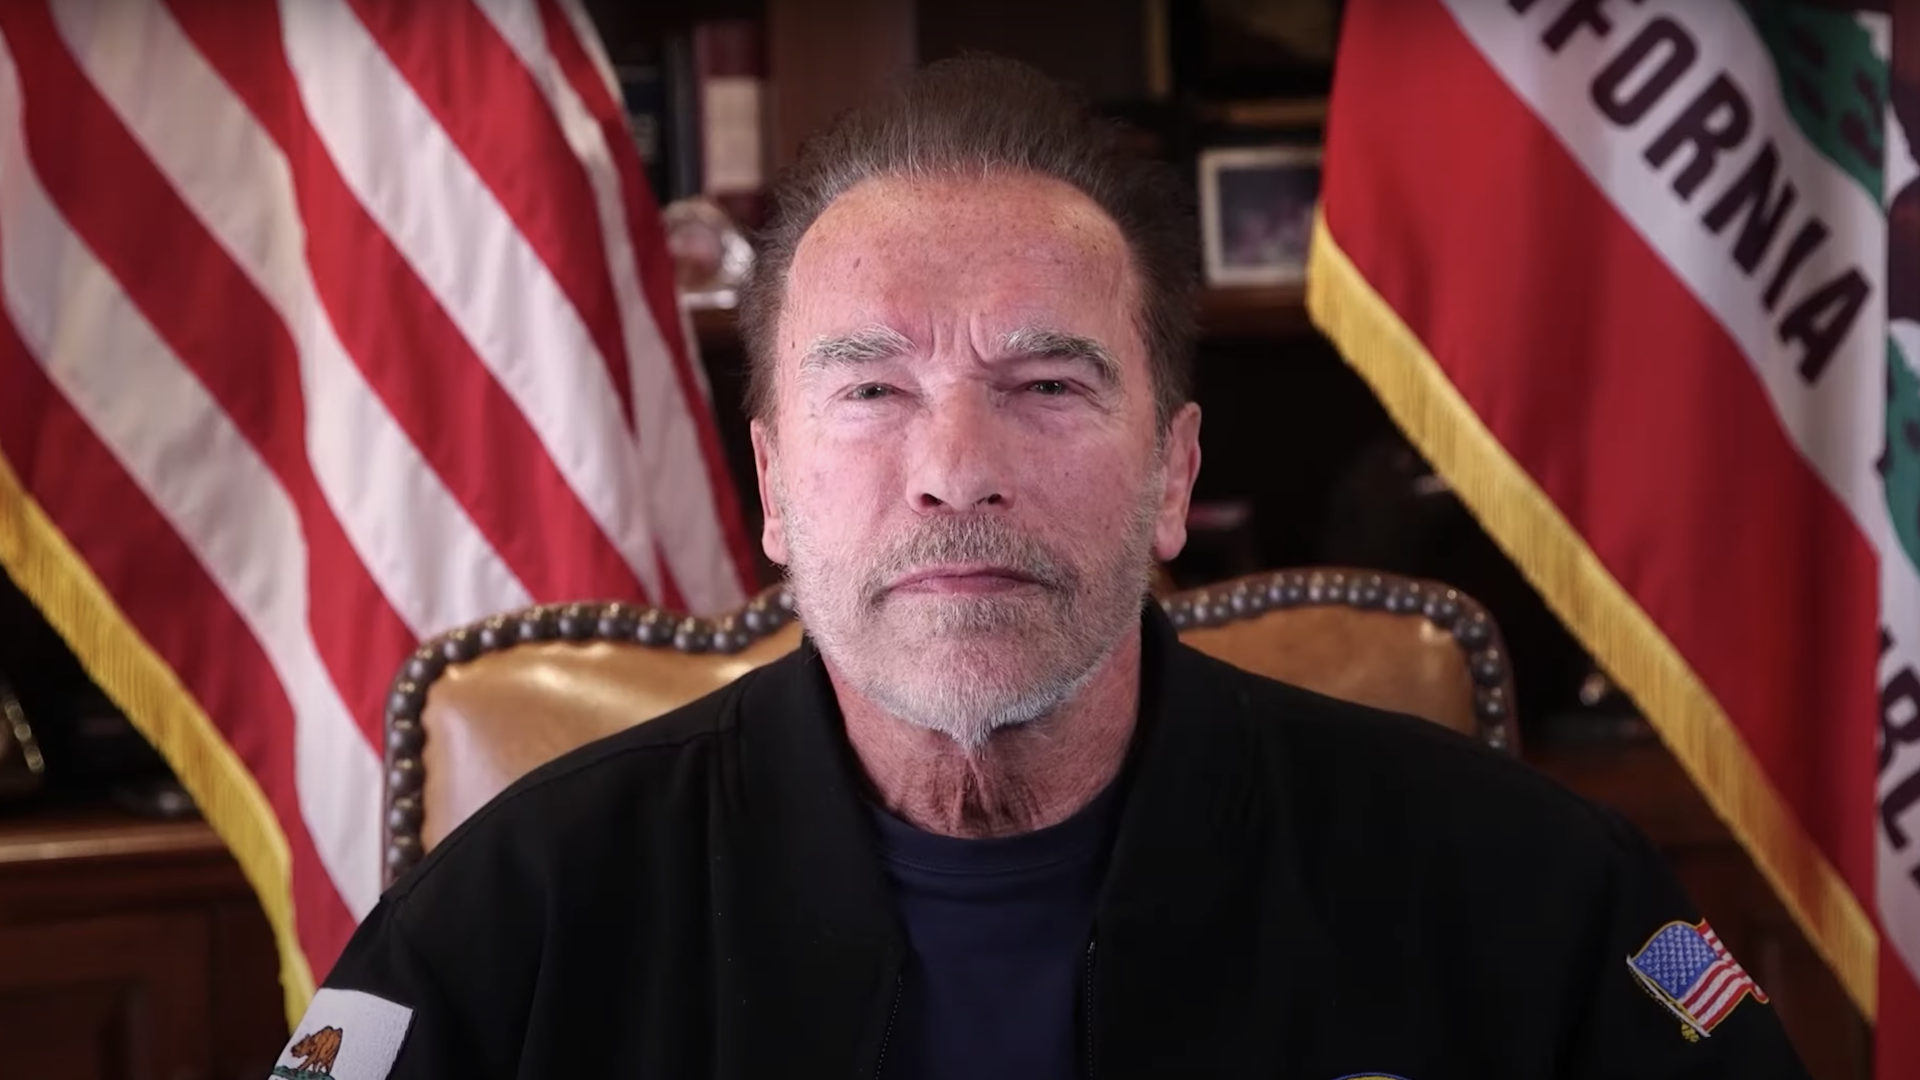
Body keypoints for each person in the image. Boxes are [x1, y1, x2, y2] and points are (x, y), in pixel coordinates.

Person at [284, 56, 1813, 1079]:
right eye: (870, 390)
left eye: (1049, 383)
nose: (958, 465)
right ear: (771, 487)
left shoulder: (1530, 895)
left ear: (1175, 474)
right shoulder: (515, 925)